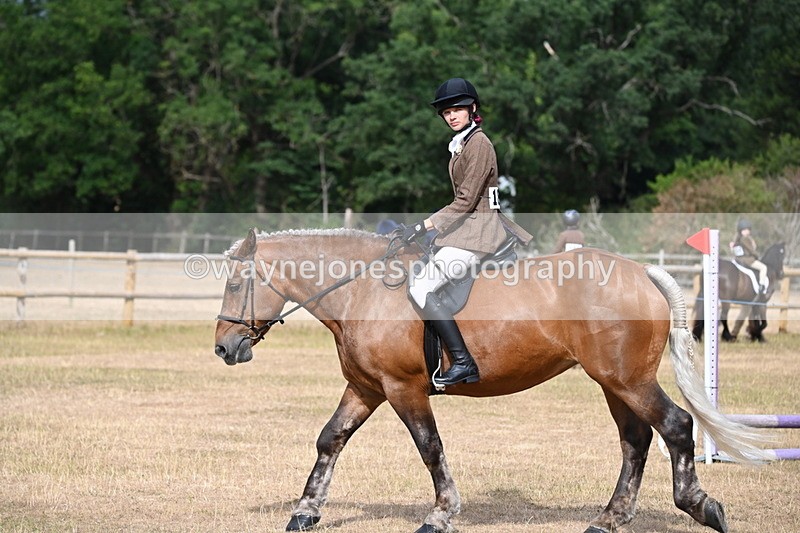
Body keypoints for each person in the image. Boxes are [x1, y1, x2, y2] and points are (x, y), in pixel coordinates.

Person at [400, 77, 532, 387]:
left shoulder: (479, 144)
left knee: (421, 286)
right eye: (446, 112)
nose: (452, 116)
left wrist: (422, 226)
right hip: (467, 227)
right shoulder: (463, 144)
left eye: (457, 109)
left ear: (472, 108)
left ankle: (463, 361)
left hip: (479, 231)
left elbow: (466, 200)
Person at [731, 219, 768, 294]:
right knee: (764, 268)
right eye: (745, 230)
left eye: (748, 230)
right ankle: (761, 285)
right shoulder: (745, 239)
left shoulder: (737, 239)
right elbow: (752, 251)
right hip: (747, 260)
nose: (747, 231)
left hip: (737, 260)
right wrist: (757, 256)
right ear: (741, 231)